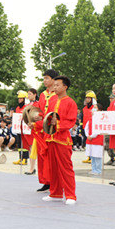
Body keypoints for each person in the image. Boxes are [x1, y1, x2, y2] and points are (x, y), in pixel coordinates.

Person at [42, 76, 78, 205]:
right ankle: (55, 193)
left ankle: (70, 195)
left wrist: (56, 123)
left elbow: (70, 121)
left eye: (57, 85)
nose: (55, 87)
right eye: (54, 85)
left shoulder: (70, 102)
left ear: (65, 87)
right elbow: (46, 117)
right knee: (53, 168)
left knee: (65, 168)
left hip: (62, 139)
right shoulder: (52, 101)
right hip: (51, 138)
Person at [30, 69, 59, 193]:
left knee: (51, 157)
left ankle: (53, 182)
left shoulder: (58, 95)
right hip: (41, 129)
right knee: (42, 156)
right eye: (44, 78)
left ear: (53, 80)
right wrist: (37, 116)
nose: (44, 80)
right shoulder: (42, 94)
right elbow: (41, 111)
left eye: (47, 78)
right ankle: (45, 181)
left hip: (51, 129)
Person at [85, 103, 104, 175]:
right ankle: (93, 169)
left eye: (95, 107)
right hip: (90, 140)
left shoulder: (101, 119)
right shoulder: (90, 119)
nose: (93, 109)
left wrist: (92, 136)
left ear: (99, 110)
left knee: (97, 156)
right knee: (92, 155)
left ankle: (98, 170)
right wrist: (87, 135)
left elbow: (98, 130)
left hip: (97, 140)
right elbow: (86, 128)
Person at [13, 91, 30, 165]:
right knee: (19, 143)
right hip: (18, 129)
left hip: (25, 129)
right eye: (19, 99)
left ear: (25, 99)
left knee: (25, 144)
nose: (19, 100)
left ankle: (25, 159)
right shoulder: (17, 108)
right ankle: (20, 158)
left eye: (21, 99)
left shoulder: (27, 107)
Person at [82, 91, 97, 163]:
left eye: (89, 98)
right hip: (85, 127)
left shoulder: (94, 108)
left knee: (92, 143)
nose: (87, 99)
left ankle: (92, 157)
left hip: (92, 127)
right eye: (86, 98)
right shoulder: (84, 108)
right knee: (87, 143)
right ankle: (89, 157)